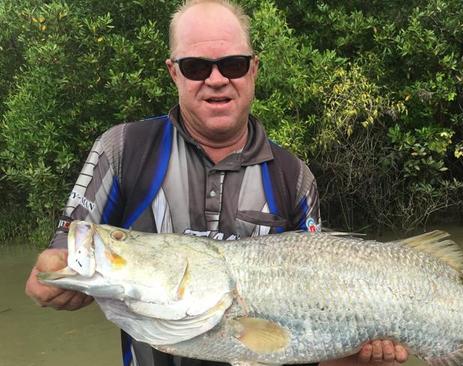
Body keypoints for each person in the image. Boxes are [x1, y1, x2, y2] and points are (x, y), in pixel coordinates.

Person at [25, 1, 409, 365]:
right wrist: (54, 273)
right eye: (195, 66)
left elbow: (309, 342)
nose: (216, 79)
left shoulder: (295, 178)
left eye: (233, 65)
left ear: (254, 69)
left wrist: (356, 353)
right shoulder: (123, 149)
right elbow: (61, 250)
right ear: (173, 71)